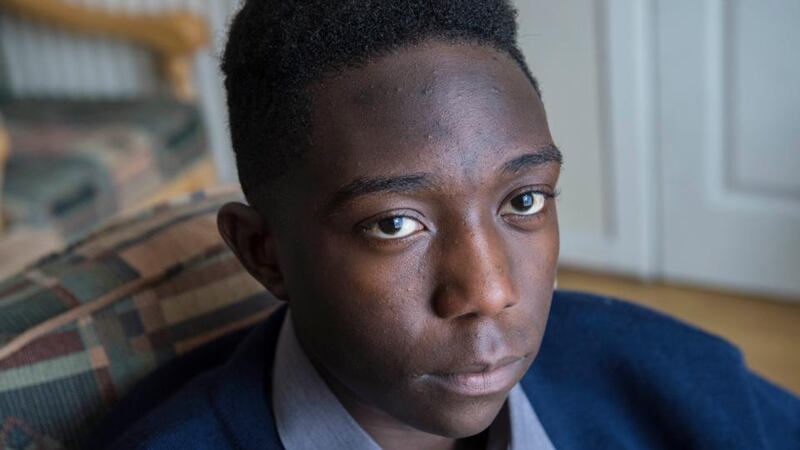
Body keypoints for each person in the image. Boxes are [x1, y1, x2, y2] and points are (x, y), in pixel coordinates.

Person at [96, 1, 800, 448]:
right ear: (264, 253)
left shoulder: (671, 379)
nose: (490, 291)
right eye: (396, 224)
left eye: (523, 201)